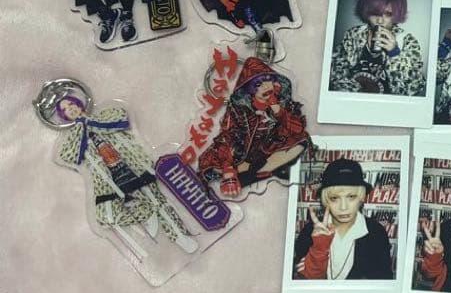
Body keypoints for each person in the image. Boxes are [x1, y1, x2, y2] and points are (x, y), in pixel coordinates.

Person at [54, 94, 197, 253]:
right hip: (109, 181)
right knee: (104, 216)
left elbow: (121, 116)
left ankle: (181, 237)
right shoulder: (76, 135)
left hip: (134, 167)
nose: (70, 109)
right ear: (64, 117)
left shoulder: (103, 115)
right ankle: (146, 212)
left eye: (70, 104)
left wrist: (89, 122)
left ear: (79, 104)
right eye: (64, 110)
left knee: (157, 201)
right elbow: (68, 155)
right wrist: (81, 128)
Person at [198, 57, 312, 198]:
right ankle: (244, 172)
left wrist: (280, 113)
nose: (266, 87)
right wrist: (228, 168)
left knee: (302, 142)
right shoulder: (239, 109)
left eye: (268, 81)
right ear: (250, 89)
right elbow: (227, 136)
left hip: (268, 152)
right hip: (242, 154)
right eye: (258, 84)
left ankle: (254, 172)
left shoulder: (282, 103)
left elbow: (298, 130)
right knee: (214, 161)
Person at [293, 158, 393, 280]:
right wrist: (319, 248)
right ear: (325, 200)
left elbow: (383, 283)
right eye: (334, 198)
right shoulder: (310, 231)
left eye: (351, 196)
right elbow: (304, 284)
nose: (343, 207)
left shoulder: (376, 232)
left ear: (361, 197)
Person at [329, 0, 425, 96]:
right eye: (375, 13)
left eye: (388, 14)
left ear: (396, 15)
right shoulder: (354, 34)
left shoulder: (407, 41)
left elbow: (413, 88)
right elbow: (335, 71)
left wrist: (394, 53)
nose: (380, 21)